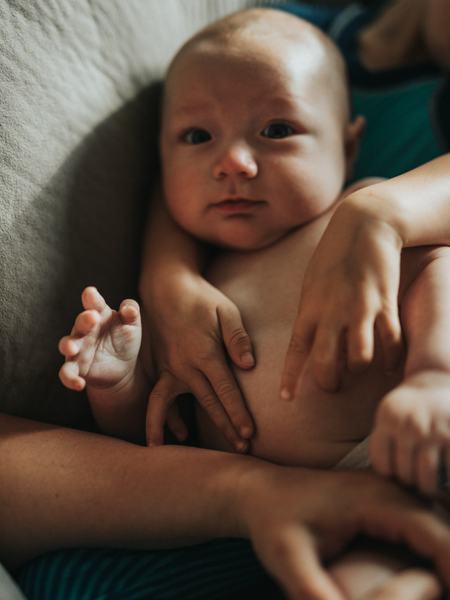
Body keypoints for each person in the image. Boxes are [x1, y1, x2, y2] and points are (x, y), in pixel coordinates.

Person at [58, 8, 450, 597]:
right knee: (361, 584)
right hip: (324, 507)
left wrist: (432, 376)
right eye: (198, 137)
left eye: (276, 132)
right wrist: (116, 383)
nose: (234, 163)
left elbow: (439, 275)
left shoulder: (359, 212)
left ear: (348, 149)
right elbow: (163, 434)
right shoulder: (181, 300)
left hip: (418, 433)